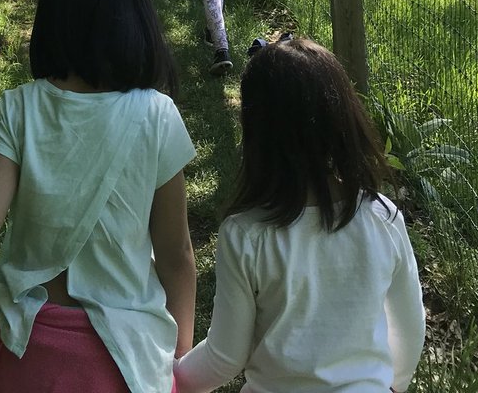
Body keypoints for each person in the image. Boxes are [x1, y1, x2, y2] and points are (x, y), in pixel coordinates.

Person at [0, 0, 197, 393]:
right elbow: (176, 254)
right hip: (128, 361)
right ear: (136, 20)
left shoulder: (18, 109)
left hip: (31, 351)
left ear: (51, 18)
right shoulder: (158, 115)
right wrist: (182, 354)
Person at [174, 35, 426, 393]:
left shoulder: (246, 235)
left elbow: (226, 356)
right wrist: (391, 385)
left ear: (257, 135)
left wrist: (172, 377)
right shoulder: (384, 219)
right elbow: (410, 330)